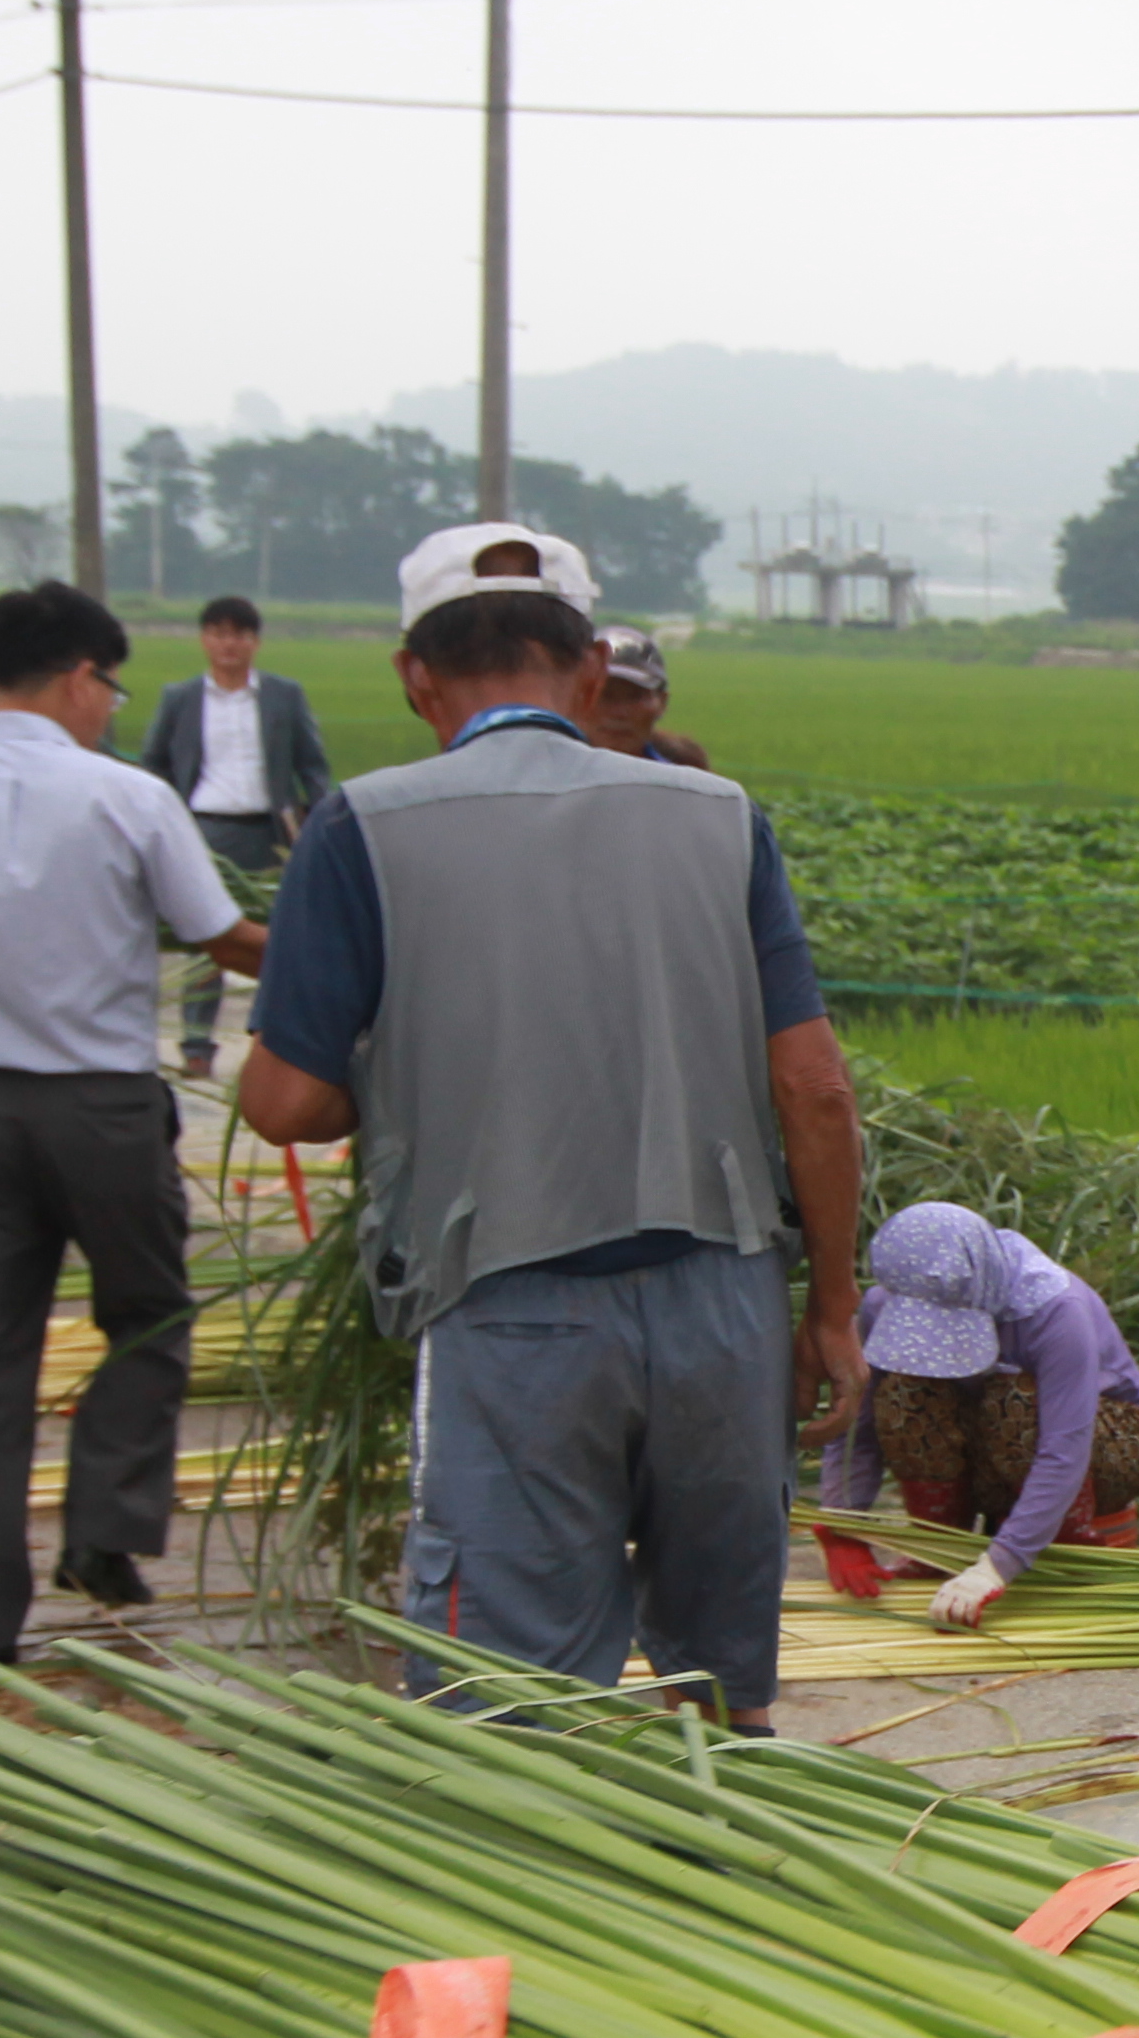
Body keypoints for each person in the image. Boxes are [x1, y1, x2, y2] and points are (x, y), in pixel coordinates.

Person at [234, 525, 866, 1727]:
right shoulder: (719, 816)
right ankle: (724, 1828)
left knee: (510, 1707)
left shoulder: (364, 827)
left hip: (509, 1304)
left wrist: (414, 1068)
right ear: (590, 672)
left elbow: (282, 1102)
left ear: (414, 679)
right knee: (720, 1688)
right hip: (723, 1306)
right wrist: (831, 1307)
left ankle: (545, 1844)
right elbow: (816, 1090)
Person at [0, 581, 267, 1657]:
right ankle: (104, 1531)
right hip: (98, 1107)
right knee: (150, 1314)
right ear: (83, 677)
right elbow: (219, 936)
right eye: (109, 690)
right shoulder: (126, 797)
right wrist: (337, 953)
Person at [813, 1200, 1139, 1630]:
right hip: (992, 1445)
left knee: (1013, 1397)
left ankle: (1060, 1551)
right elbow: (860, 1423)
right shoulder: (887, 1304)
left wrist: (998, 1566)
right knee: (905, 1392)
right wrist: (842, 1526)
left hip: (1106, 1447)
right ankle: (940, 1547)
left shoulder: (1056, 1310)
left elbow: (1065, 1449)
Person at [138, 593, 334, 1075]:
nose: (229, 644)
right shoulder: (181, 699)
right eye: (219, 633)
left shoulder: (283, 696)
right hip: (205, 832)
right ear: (205, 640)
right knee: (205, 940)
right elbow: (154, 763)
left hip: (269, 834)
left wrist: (318, 822)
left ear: (255, 642)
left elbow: (312, 765)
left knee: (278, 936)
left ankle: (277, 1043)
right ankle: (197, 1048)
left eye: (240, 634)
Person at [587, 624, 713, 769]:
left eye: (635, 697)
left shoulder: (684, 775)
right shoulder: (562, 770)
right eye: (604, 695)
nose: (619, 712)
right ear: (576, 699)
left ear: (662, 703)